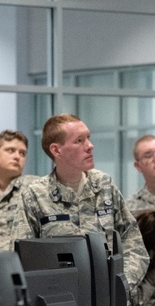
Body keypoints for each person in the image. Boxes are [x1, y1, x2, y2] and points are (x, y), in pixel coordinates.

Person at [19, 113, 148, 287]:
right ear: (56, 150)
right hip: (61, 298)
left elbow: (133, 243)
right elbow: (22, 259)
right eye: (79, 141)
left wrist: (122, 284)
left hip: (109, 297)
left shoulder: (104, 185)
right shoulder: (34, 195)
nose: (90, 146)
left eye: (88, 138)